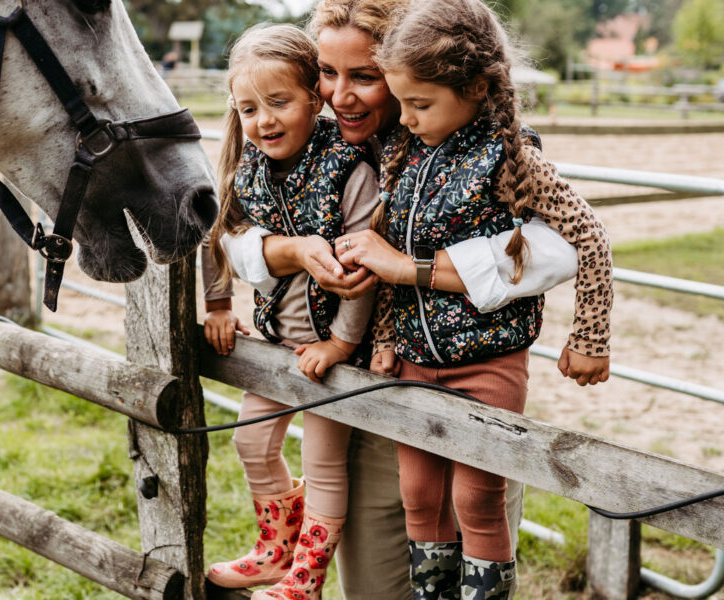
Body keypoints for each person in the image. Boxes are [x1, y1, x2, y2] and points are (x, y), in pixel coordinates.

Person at [206, 1, 582, 598]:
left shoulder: (476, 146)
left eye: (364, 76)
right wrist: (292, 251)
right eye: (328, 73)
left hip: (455, 384)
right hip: (360, 396)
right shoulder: (318, 148)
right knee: (376, 587)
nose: (340, 95)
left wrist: (412, 269)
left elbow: (558, 250)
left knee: (468, 561)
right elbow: (238, 232)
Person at [332, 0, 614, 597]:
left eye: (420, 104)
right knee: (420, 495)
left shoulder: (510, 157)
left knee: (477, 498)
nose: (406, 118)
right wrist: (385, 339)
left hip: (486, 361)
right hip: (411, 362)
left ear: (478, 86)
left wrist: (590, 337)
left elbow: (586, 234)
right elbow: (386, 256)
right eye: (402, 103)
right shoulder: (405, 154)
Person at [200, 23, 380, 600]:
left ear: (313, 95)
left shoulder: (350, 171)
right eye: (249, 108)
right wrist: (219, 302)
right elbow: (217, 232)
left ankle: (307, 578)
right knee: (251, 443)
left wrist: (341, 346)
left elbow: (362, 276)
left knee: (323, 461)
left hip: (331, 353)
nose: (265, 121)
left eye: (279, 103)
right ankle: (276, 551)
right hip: (277, 343)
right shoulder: (248, 167)